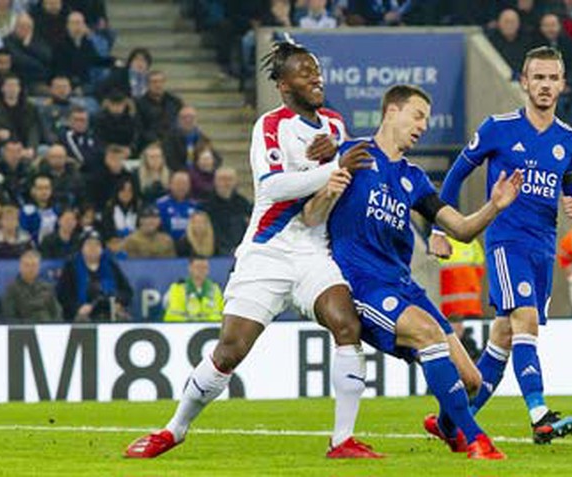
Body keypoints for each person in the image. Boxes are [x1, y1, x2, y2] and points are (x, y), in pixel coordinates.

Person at [124, 41, 382, 460]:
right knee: (230, 349)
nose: (316, 78)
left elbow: (346, 167)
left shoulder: (334, 125)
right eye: (304, 72)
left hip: (313, 250)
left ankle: (343, 440)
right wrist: (332, 167)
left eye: (317, 70)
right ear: (283, 85)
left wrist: (336, 155)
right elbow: (273, 186)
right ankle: (174, 429)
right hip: (267, 250)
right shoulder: (270, 125)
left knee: (346, 324)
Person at [311, 84, 521, 459]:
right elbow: (309, 206)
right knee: (427, 334)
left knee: (471, 381)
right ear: (391, 111)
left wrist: (494, 207)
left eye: (426, 118)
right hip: (362, 285)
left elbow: (460, 228)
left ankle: (444, 425)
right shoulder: (352, 154)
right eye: (418, 115)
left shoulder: (414, 178)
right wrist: (324, 180)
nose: (423, 125)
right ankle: (475, 440)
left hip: (404, 287)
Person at [433, 46, 572, 445]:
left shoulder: (569, 140)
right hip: (506, 241)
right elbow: (455, 176)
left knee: (503, 339)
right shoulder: (497, 128)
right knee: (526, 321)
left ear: (563, 85)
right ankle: (539, 415)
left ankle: (451, 422)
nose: (546, 85)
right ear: (524, 82)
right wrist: (440, 227)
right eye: (539, 77)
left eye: (553, 78)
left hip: (544, 247)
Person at [56, 229, 132, 322]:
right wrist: (77, 308)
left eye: (97, 244)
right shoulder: (71, 266)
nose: (93, 248)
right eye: (89, 244)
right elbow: (63, 295)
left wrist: (118, 302)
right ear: (82, 248)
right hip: (82, 313)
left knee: (123, 318)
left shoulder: (111, 265)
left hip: (109, 310)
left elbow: (127, 291)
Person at [534, 13, 572, 126]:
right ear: (541, 27)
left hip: (565, 81)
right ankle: (561, 126)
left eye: (553, 25)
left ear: (559, 26)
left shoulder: (568, 42)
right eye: (547, 26)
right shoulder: (534, 44)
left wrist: (567, 83)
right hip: (544, 83)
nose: (550, 29)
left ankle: (568, 124)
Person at [1, 249, 62, 323]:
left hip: (48, 329)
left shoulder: (47, 288)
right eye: (27, 265)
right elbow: (9, 316)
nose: (31, 269)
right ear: (20, 267)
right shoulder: (11, 289)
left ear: (39, 267)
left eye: (34, 265)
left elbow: (57, 313)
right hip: (25, 330)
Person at [202, 166, 251, 256]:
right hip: (214, 252)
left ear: (235, 182)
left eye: (229, 179)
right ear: (215, 181)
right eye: (222, 179)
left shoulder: (243, 204)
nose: (226, 183)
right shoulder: (206, 205)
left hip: (241, 250)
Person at [163, 256, 224, 322]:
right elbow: (174, 315)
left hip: (211, 328)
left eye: (205, 268)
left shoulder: (215, 288)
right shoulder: (177, 288)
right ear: (190, 268)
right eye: (198, 267)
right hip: (184, 328)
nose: (201, 270)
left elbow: (221, 314)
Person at [437, 235, 485, 319]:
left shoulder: (439, 242)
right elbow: (480, 269)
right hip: (467, 308)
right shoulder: (471, 242)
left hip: (449, 310)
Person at [135, 70, 183, 149]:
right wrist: (156, 141)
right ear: (147, 84)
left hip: (173, 143)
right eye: (154, 82)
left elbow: (180, 123)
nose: (158, 85)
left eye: (161, 81)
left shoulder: (175, 102)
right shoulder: (139, 104)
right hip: (148, 145)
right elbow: (139, 128)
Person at [37, 143, 82, 208]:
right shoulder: (41, 173)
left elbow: (81, 196)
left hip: (70, 210)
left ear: (66, 158)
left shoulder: (75, 175)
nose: (57, 160)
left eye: (60, 157)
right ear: (48, 158)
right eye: (53, 157)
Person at [156, 170, 197, 241]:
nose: (181, 187)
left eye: (184, 184)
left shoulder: (195, 206)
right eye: (178, 183)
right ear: (170, 185)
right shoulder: (160, 204)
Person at [487, 9, 531, 76]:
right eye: (506, 22)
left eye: (512, 22)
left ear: (518, 24)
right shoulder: (490, 42)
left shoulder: (527, 42)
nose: (509, 25)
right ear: (498, 23)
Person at [60, 106, 102, 172]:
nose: (80, 123)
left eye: (83, 120)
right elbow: (81, 158)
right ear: (69, 121)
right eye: (76, 120)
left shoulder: (94, 136)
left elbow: (100, 155)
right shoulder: (64, 136)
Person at [19, 173, 59, 243]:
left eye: (47, 188)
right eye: (40, 188)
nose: (44, 192)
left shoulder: (57, 209)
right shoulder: (26, 211)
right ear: (33, 190)